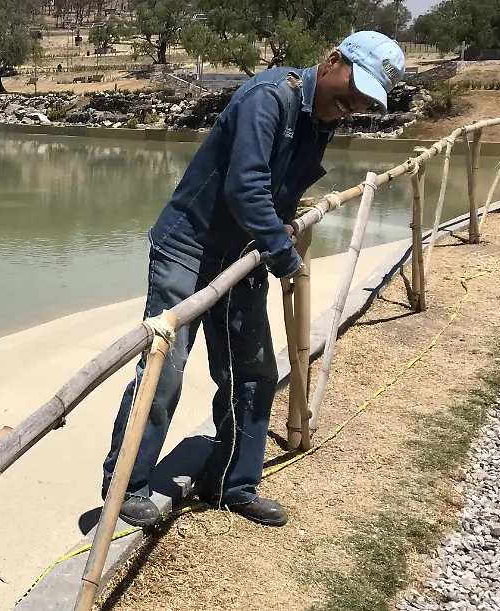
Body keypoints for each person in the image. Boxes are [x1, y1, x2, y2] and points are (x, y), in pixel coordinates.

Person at [102, 31, 406, 528]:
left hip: (242, 254)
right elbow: (246, 186)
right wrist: (284, 251)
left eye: (367, 99)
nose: (354, 104)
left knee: (255, 372)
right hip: (189, 247)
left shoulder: (322, 117)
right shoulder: (268, 97)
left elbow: (280, 185)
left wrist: (281, 223)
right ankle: (126, 484)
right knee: (165, 370)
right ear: (333, 61)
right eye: (354, 88)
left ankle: (231, 483)